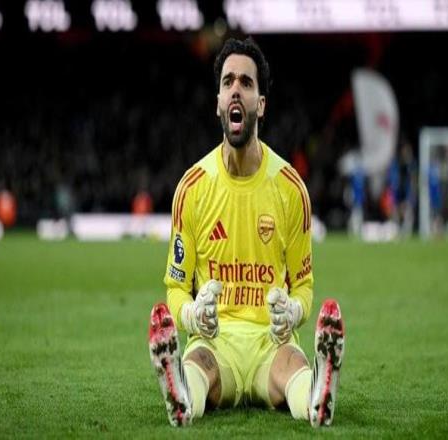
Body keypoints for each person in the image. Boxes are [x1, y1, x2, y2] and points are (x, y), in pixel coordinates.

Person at [148, 37, 345, 428]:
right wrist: (192, 315)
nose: (235, 89)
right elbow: (176, 287)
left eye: (246, 82)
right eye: (228, 82)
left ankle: (318, 397)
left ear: (261, 104)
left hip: (271, 341)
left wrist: (293, 312)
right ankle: (182, 397)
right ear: (218, 103)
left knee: (292, 369)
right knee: (199, 366)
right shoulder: (192, 188)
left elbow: (303, 285)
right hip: (214, 339)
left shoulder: (290, 189)